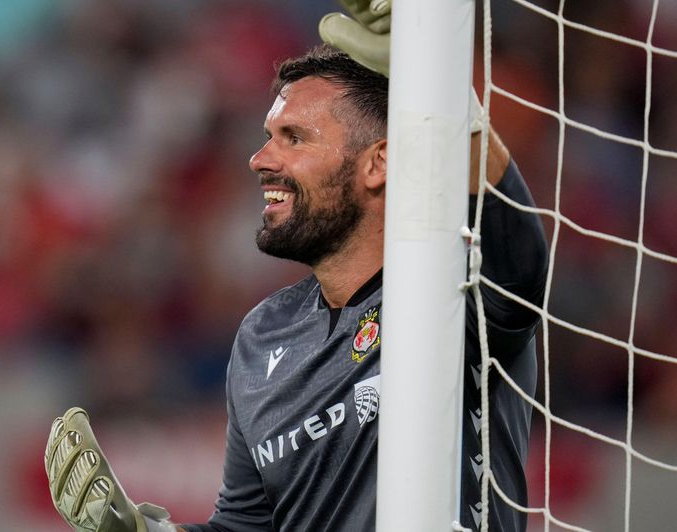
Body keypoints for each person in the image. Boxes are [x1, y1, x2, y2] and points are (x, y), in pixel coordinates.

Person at [44, 2, 547, 531]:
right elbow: (244, 527)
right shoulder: (263, 334)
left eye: (294, 138)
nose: (260, 159)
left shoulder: (450, 294)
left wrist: (443, 92)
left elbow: (520, 266)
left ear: (378, 161)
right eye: (269, 135)